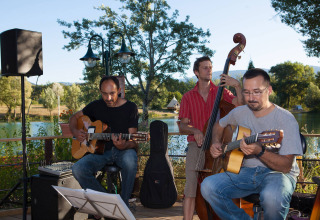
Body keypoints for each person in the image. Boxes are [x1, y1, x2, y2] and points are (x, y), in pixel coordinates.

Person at [201, 68, 303, 220]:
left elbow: (286, 166)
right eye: (247, 92)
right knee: (208, 186)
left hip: (279, 174)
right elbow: (219, 125)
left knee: (272, 197)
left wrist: (260, 152)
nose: (251, 97)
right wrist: (216, 142)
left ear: (269, 90)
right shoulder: (240, 112)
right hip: (246, 173)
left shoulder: (286, 119)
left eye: (256, 91)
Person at [178, 56, 244, 220]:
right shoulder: (188, 97)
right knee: (191, 186)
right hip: (197, 145)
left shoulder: (221, 92)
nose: (209, 70)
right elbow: (182, 125)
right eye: (205, 67)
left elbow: (241, 106)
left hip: (220, 146)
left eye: (210, 67)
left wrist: (237, 85)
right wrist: (195, 131)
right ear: (196, 72)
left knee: (230, 178)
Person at [70, 75, 139, 208]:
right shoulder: (95, 106)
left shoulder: (130, 107)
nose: (108, 98)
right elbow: (74, 117)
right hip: (100, 152)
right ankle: (106, 203)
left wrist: (124, 145)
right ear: (100, 92)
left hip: (123, 151)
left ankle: (123, 205)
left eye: (112, 93)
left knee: (130, 160)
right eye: (105, 94)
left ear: (119, 90)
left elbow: (134, 141)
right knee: (78, 169)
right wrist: (75, 131)